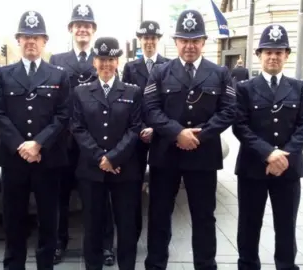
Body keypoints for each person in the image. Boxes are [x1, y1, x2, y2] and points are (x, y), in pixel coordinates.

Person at [142, 9, 236, 270]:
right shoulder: (161, 72)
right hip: (166, 155)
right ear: (176, 42)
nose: (190, 45)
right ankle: (156, 265)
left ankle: (205, 265)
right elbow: (150, 109)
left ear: (204, 42)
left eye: (195, 40)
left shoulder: (220, 73)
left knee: (204, 217)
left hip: (203, 156)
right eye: (184, 40)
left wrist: (199, 136)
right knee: (160, 215)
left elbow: (229, 110)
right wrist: (177, 133)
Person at [0, 10, 70, 270]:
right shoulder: (3, 75)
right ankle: (14, 265)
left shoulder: (59, 75)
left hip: (48, 158)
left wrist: (38, 144)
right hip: (14, 159)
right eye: (26, 37)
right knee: (13, 219)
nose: (31, 42)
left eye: (36, 37)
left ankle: (45, 265)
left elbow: (63, 115)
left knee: (49, 220)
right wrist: (20, 145)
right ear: (18, 40)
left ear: (45, 41)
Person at [232, 24, 303, 270]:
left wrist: (283, 156)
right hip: (252, 169)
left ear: (287, 55)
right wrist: (269, 153)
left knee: (286, 225)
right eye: (268, 51)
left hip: (288, 170)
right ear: (258, 55)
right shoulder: (244, 88)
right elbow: (240, 126)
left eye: (279, 51)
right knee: (248, 225)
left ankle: (286, 266)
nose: (273, 56)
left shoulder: (299, 88)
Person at [49, 4, 116, 265]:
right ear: (70, 29)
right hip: (65, 141)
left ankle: (105, 245)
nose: (82, 29)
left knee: (103, 196)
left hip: (96, 141)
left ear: (94, 30)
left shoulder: (103, 57)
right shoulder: (57, 59)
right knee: (60, 195)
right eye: (78, 25)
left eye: (87, 25)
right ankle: (59, 241)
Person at [71, 37, 143, 270]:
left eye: (111, 59)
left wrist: (113, 157)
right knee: (92, 226)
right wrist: (100, 158)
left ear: (117, 61)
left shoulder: (132, 92)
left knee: (126, 226)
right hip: (91, 171)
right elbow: (78, 128)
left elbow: (135, 128)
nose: (106, 64)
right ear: (94, 62)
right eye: (102, 59)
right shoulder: (81, 92)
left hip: (125, 170)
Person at [122, 20, 170, 239]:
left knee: (161, 190)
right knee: (134, 187)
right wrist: (141, 128)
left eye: (152, 38)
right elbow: (126, 103)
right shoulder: (130, 68)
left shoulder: (169, 65)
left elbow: (170, 105)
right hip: (138, 135)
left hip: (161, 136)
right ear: (139, 41)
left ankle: (158, 236)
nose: (149, 42)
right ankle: (134, 232)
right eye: (145, 38)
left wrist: (157, 129)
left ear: (158, 40)